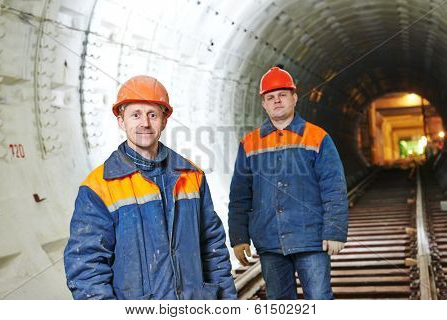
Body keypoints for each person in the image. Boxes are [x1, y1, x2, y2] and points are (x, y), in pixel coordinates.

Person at [64, 75, 236, 300]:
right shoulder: (99, 188)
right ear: (121, 121)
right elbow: (87, 268)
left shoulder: (192, 176)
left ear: (164, 120)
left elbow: (213, 249)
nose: (144, 123)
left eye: (152, 114)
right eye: (135, 114)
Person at [228, 66, 348, 300]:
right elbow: (240, 194)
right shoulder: (249, 144)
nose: (277, 101)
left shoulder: (317, 137)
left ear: (294, 97)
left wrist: (334, 230)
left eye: (282, 95)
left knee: (319, 300)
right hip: (270, 241)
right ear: (263, 104)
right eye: (270, 97)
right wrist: (239, 237)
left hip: (311, 240)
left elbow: (333, 186)